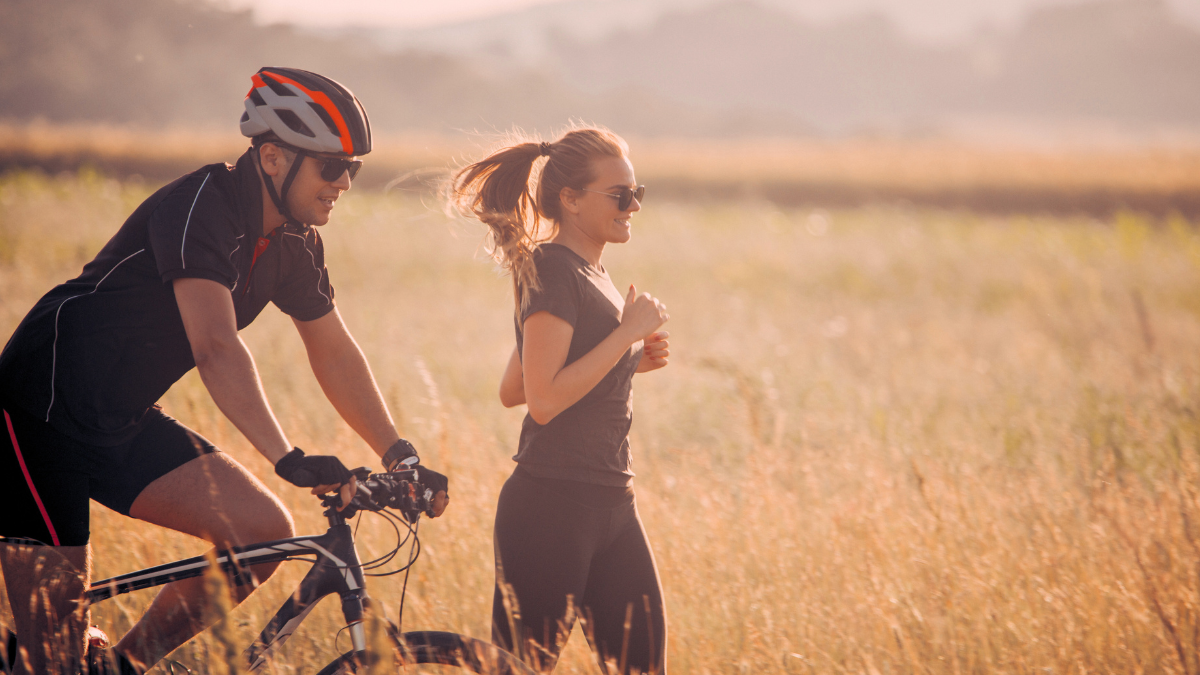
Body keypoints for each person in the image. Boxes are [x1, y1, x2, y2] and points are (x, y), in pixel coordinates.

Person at [0, 67, 447, 675]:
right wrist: (287, 458)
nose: (343, 182)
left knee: (260, 532)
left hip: (121, 417)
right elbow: (215, 345)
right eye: (330, 166)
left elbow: (334, 352)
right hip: (39, 410)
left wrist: (400, 455)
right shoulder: (199, 207)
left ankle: (122, 667)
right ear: (272, 157)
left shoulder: (294, 242)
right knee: (51, 660)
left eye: (353, 169)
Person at [452, 127, 670, 674]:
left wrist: (628, 362)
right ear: (571, 199)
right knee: (520, 669)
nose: (633, 207)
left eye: (637, 193)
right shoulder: (553, 267)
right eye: (621, 195)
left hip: (612, 503)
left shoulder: (591, 271)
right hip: (551, 507)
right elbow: (542, 401)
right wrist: (626, 336)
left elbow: (516, 386)